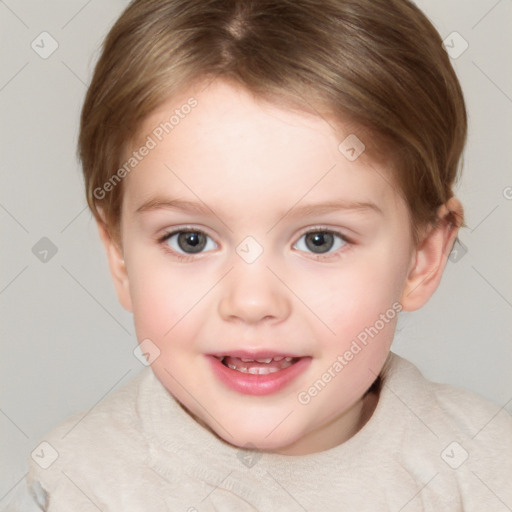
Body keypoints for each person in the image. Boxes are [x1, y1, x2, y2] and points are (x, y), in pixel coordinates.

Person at [6, 0, 512, 510]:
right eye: (191, 240)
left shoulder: (487, 472)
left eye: (320, 240)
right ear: (119, 257)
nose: (251, 302)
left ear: (423, 256)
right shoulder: (84, 479)